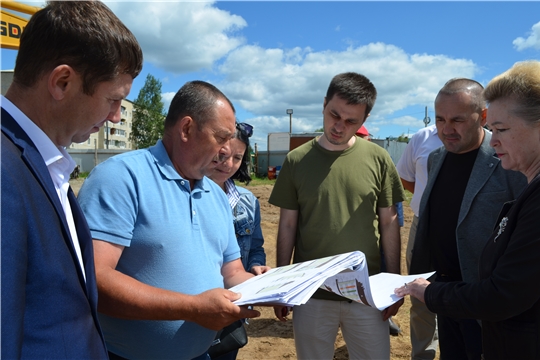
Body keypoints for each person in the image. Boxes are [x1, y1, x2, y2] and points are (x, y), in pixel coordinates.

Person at [77, 81, 261, 360]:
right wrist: (192, 308)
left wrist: (269, 288)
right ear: (186, 129)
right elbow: (95, 279)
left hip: (201, 354)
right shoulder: (121, 178)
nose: (226, 150)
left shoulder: (216, 194)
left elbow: (232, 272)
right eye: (221, 137)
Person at [0, 2, 143, 358]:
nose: (114, 118)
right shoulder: (4, 170)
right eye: (114, 101)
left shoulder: (41, 162)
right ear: (62, 82)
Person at [396, 60, 540, 360]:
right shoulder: (436, 157)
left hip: (487, 304)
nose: (446, 130)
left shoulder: (511, 161)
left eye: (457, 120)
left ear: (481, 116)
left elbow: (511, 287)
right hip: (447, 292)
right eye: (440, 120)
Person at [269, 72, 405, 359]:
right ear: (323, 104)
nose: (339, 126)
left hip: (366, 293)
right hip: (311, 293)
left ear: (364, 120)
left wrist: (392, 282)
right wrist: (281, 285)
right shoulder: (296, 161)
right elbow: (288, 225)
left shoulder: (378, 159)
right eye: (334, 115)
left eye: (351, 121)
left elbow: (390, 223)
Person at [206, 122, 271, 359]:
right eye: (222, 155)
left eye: (238, 157)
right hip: (195, 307)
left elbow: (255, 247)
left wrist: (256, 265)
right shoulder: (184, 194)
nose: (229, 164)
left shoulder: (248, 202)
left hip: (232, 307)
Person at [396, 124, 442, 359]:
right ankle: (423, 353)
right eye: (440, 117)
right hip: (423, 225)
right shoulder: (422, 137)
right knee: (419, 292)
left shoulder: (491, 141)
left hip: (468, 227)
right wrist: (429, 199)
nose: (447, 126)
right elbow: (406, 178)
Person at [357, 124, 403, 336]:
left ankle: (385, 316)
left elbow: (394, 214)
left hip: (377, 241)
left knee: (381, 275)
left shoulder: (380, 163)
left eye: (360, 136)